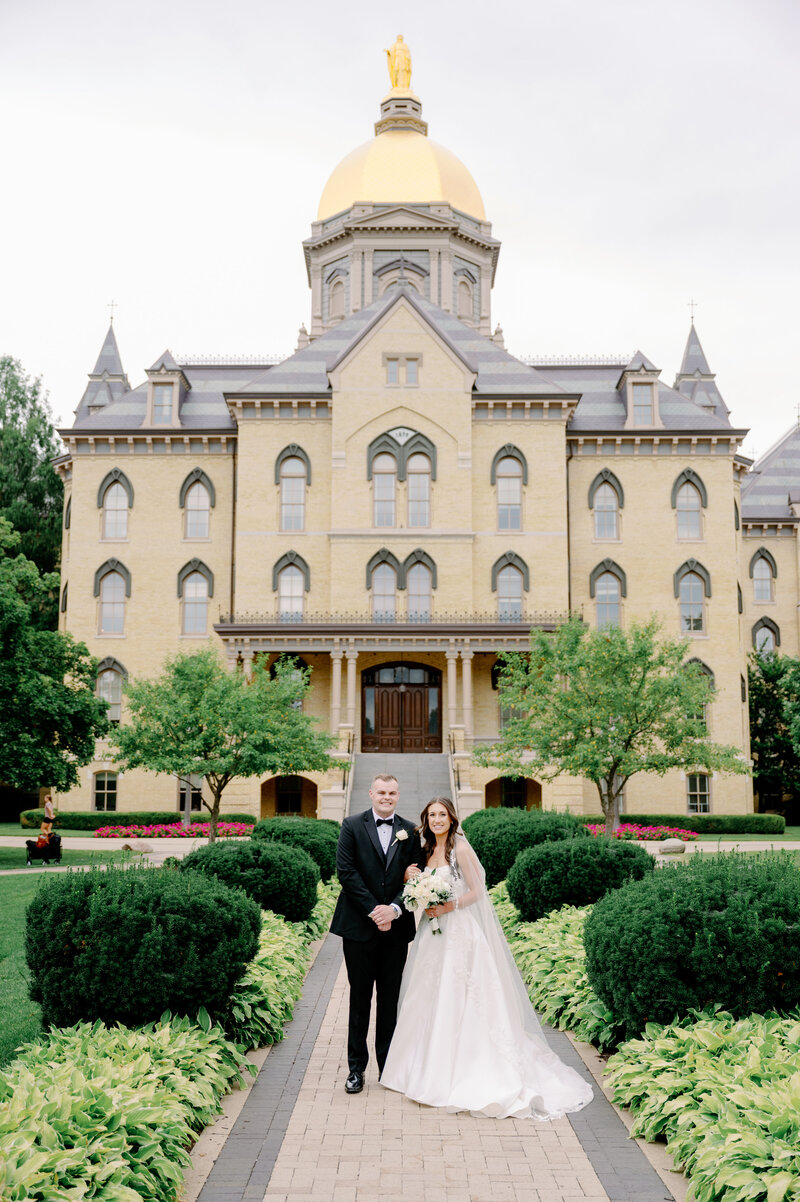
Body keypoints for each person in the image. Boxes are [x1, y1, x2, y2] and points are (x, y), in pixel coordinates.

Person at [380, 797, 594, 1120]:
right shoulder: (426, 851)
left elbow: (478, 891)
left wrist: (448, 907)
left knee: (462, 997)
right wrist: (414, 880)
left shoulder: (460, 850)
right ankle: (418, 1070)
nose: (437, 820)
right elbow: (420, 885)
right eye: (432, 815)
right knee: (427, 997)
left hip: (459, 933)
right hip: (431, 933)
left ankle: (463, 1070)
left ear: (452, 819)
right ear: (426, 820)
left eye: (442, 815)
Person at [330, 773, 424, 1094]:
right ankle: (356, 1069)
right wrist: (375, 910)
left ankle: (388, 1067)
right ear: (371, 793)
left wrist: (394, 909)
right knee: (359, 999)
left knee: (389, 1000)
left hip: (396, 930)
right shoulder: (351, 825)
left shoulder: (411, 831)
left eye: (392, 793)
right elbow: (347, 872)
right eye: (381, 792)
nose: (386, 797)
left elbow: (416, 874)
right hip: (358, 927)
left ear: (398, 795)